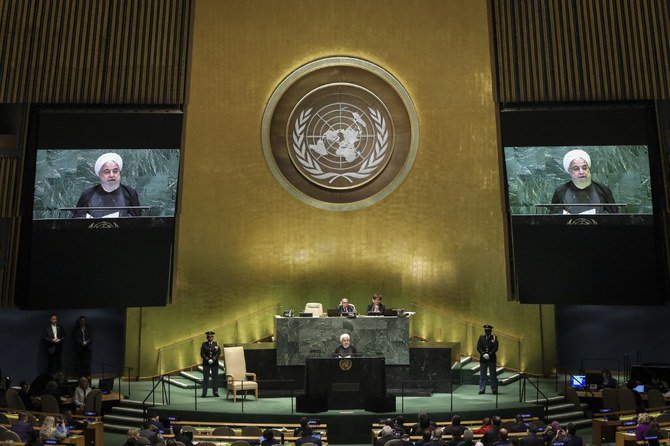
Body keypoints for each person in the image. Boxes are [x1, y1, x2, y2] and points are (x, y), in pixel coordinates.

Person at [74, 152, 141, 218]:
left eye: (115, 171)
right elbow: (76, 221)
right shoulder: (87, 195)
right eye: (107, 172)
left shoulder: (130, 193)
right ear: (100, 174)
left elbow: (138, 221)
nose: (111, 175)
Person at [551, 149, 617, 214]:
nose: (581, 172)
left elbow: (615, 216)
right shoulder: (561, 191)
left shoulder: (603, 190)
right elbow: (553, 218)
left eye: (584, 168)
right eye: (576, 169)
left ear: (589, 169)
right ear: (569, 171)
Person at [477, 324, 499, 394]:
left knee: (493, 374)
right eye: (486, 330)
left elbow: (496, 347)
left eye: (488, 330)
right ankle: (482, 389)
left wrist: (489, 354)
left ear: (491, 331)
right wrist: (483, 354)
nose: (487, 332)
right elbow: (478, 347)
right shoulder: (481, 337)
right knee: (482, 374)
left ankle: (494, 389)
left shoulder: (494, 338)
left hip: (491, 358)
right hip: (483, 359)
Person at [200, 331, 220, 397]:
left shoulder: (216, 344)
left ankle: (215, 392)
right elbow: (202, 354)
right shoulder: (204, 344)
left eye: (211, 336)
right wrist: (208, 359)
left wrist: (213, 359)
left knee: (215, 378)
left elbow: (218, 353)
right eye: (208, 337)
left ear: (213, 337)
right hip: (206, 363)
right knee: (205, 378)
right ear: (206, 337)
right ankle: (204, 393)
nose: (210, 338)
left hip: (214, 363)